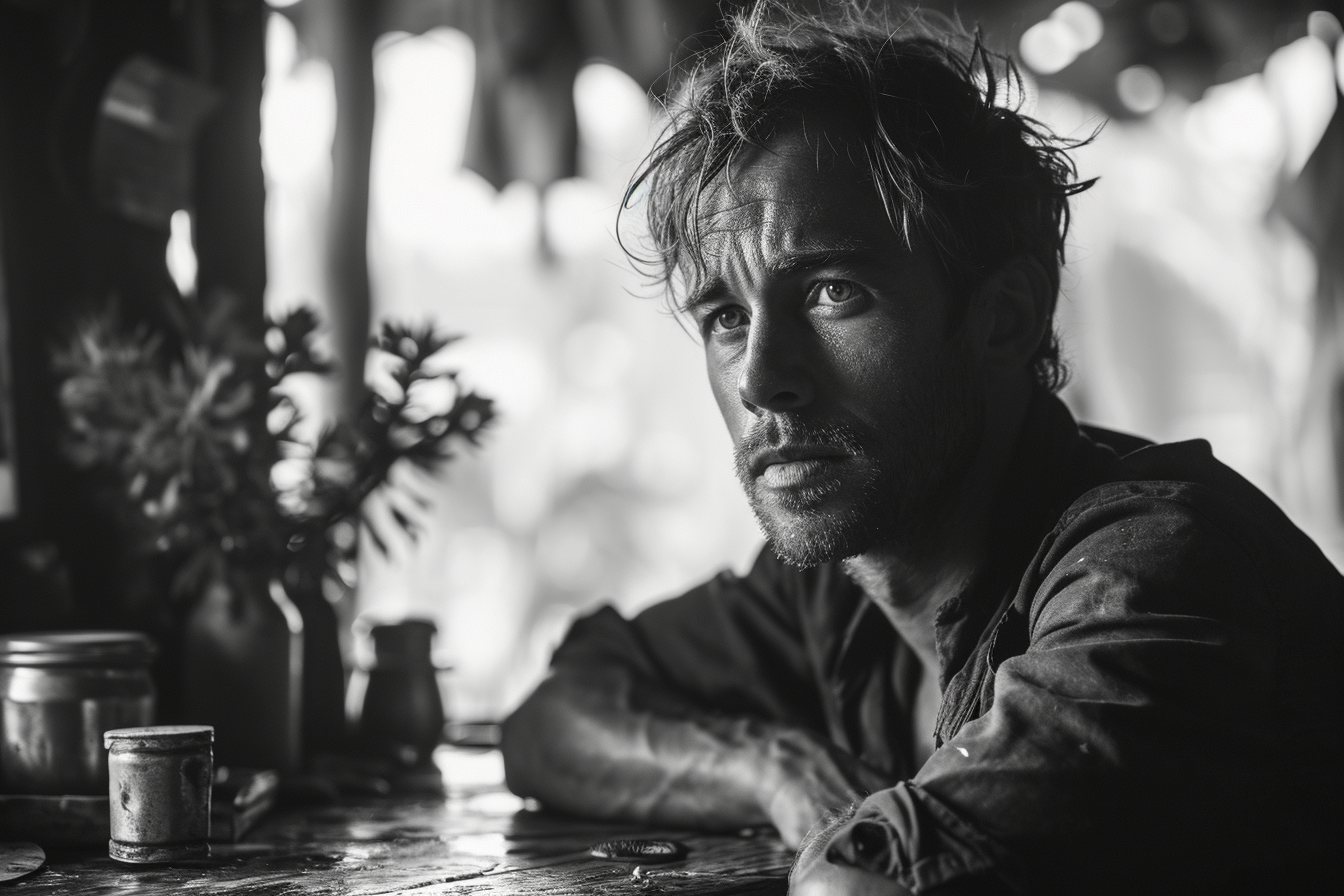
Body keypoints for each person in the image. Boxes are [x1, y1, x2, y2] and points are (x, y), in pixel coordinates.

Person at [500, 3, 1344, 893]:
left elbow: (861, 887)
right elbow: (553, 722)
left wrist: (852, 833)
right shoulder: (842, 585)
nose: (759, 381)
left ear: (1004, 317)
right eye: (725, 318)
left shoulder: (1157, 572)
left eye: (832, 291)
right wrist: (774, 767)